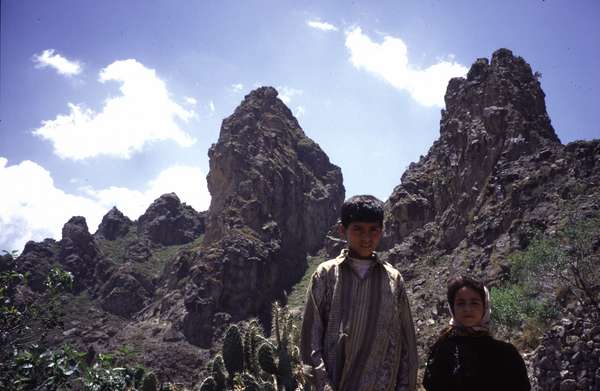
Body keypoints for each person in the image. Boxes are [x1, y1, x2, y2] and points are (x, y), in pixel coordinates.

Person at [300, 195, 418, 391]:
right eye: (358, 229)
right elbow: (311, 338)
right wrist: (324, 385)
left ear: (382, 231)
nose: (366, 237)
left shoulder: (393, 279)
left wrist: (405, 386)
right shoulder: (326, 275)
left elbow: (406, 342)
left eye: (373, 230)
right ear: (343, 230)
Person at [423, 276, 531, 391]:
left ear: (485, 306)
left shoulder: (506, 353)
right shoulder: (442, 350)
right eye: (460, 303)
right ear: (452, 308)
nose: (467, 309)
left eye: (474, 303)